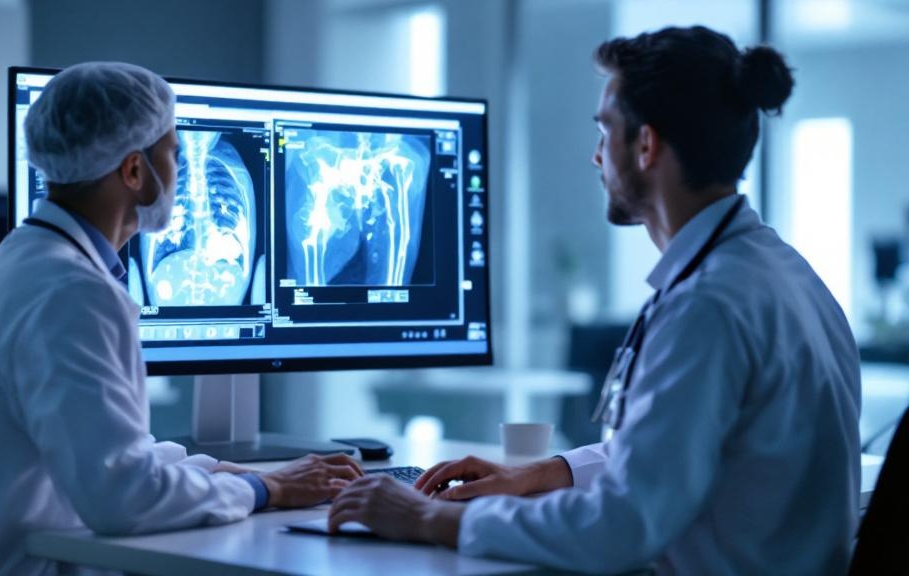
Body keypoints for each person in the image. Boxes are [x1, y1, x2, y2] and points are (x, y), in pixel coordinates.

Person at [329, 26, 860, 575]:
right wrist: (540, 473)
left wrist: (429, 520)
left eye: (606, 131)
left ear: (647, 145)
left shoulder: (709, 305)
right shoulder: (783, 274)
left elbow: (620, 528)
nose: (596, 156)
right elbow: (670, 451)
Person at [0, 62, 362, 576]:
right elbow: (123, 497)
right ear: (133, 171)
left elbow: (102, 444)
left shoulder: (21, 261)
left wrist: (220, 471)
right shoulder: (72, 292)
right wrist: (268, 488)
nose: (181, 171)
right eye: (173, 153)